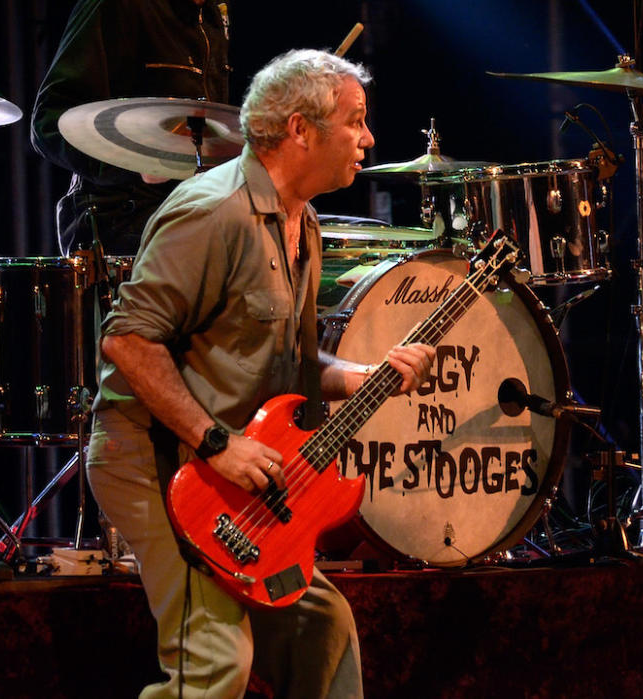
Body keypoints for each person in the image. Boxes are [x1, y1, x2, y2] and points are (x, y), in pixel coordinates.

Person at [86, 48, 435, 697]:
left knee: (320, 625)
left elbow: (291, 366)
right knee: (216, 659)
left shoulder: (305, 222)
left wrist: (364, 374)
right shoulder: (212, 211)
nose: (370, 138)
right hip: (156, 462)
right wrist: (217, 443)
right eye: (355, 120)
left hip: (232, 471)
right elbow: (129, 338)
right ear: (300, 128)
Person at [30, 0, 230, 256]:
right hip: (120, 219)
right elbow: (48, 122)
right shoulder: (118, 6)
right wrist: (134, 164)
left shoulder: (213, 14)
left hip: (188, 210)